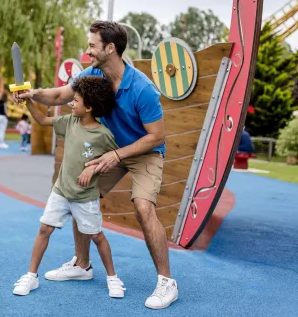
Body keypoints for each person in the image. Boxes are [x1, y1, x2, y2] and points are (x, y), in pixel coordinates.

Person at [15, 21, 177, 309]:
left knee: (143, 207)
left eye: (92, 45)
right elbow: (57, 96)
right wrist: (32, 94)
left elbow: (156, 137)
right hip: (108, 146)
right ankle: (82, 264)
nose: (87, 51)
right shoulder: (92, 74)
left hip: (144, 151)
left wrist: (117, 156)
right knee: (81, 190)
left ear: (110, 48)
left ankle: (166, 282)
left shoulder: (143, 89)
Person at [13, 76, 126, 298]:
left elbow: (115, 160)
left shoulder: (104, 135)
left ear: (90, 107)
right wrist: (27, 100)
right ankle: (31, 276)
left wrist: (92, 169)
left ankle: (113, 278)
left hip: (85, 198)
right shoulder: (70, 122)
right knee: (45, 229)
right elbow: (40, 120)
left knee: (97, 236)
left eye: (75, 101)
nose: (70, 104)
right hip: (61, 191)